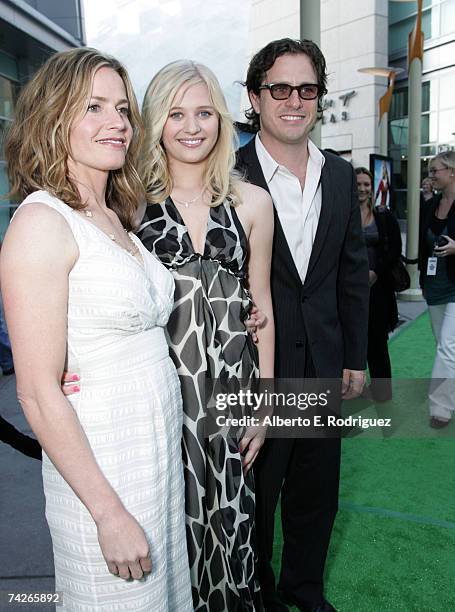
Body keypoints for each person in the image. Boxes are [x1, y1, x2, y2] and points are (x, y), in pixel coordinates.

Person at [0, 48, 192, 610]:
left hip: (152, 458)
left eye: (123, 109)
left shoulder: (114, 216)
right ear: (53, 117)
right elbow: (36, 391)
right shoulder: (41, 222)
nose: (117, 123)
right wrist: (107, 514)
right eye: (93, 107)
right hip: (102, 466)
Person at [236, 38, 369, 612]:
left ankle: (304, 588)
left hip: (323, 365)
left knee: (316, 494)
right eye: (280, 88)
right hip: (256, 368)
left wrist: (355, 357)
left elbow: (351, 274)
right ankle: (259, 593)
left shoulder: (339, 176)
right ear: (254, 97)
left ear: (318, 96)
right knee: (257, 495)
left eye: (307, 89)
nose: (294, 100)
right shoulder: (227, 174)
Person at [137, 61, 275, 611]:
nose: (191, 126)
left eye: (203, 112)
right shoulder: (129, 203)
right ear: (156, 122)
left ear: (221, 118)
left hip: (229, 394)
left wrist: (264, 407)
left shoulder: (251, 203)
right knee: (168, 527)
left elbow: (261, 304)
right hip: (161, 393)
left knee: (231, 520)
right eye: (175, 113)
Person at [356, 167, 402, 401]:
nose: (363, 188)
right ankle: (355, 390)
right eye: (358, 184)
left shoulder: (384, 215)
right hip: (352, 292)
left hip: (379, 290)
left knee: (378, 343)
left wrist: (375, 272)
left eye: (366, 184)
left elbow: (395, 249)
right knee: (354, 341)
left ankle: (383, 392)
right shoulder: (344, 214)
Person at [418, 151, 455, 429]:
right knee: (444, 345)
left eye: (435, 171)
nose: (430, 176)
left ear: (451, 171)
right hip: (434, 286)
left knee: (447, 348)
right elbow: (424, 242)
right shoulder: (431, 205)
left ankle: (440, 407)